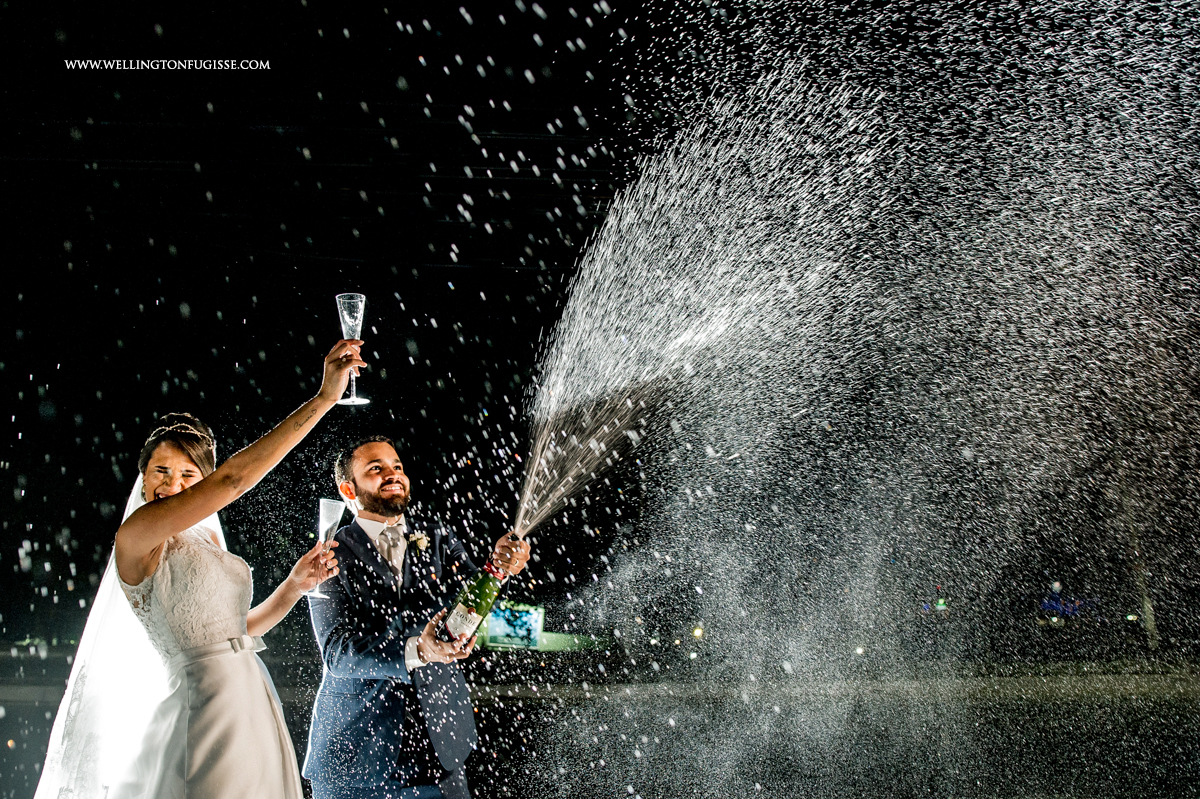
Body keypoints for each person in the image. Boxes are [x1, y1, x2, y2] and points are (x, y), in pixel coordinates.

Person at [36, 338, 367, 799]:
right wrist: (325, 398)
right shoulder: (137, 537)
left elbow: (237, 630)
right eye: (161, 472)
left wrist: (293, 586)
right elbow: (233, 479)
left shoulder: (206, 540)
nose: (173, 486)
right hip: (203, 703)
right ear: (143, 478)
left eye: (189, 476)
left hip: (249, 697)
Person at [305, 436, 531, 799]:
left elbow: (471, 607)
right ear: (348, 488)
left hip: (439, 750)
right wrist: (418, 651)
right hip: (357, 754)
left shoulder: (438, 536)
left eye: (397, 466)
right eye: (375, 468)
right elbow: (337, 653)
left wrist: (499, 570)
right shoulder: (327, 553)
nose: (392, 474)